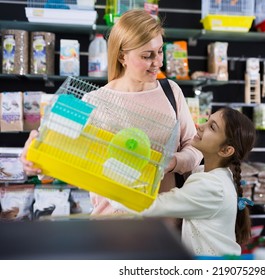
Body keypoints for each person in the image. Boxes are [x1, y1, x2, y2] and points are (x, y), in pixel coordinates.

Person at [19, 9, 203, 215]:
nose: (158, 62)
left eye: (160, 51)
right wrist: (34, 150)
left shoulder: (171, 92)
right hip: (113, 223)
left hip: (170, 220)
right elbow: (56, 145)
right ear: (122, 56)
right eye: (147, 55)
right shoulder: (92, 101)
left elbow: (195, 147)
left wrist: (173, 163)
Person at [140, 107, 257, 256]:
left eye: (212, 127)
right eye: (207, 121)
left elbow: (152, 206)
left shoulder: (211, 187)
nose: (200, 126)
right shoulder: (211, 174)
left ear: (226, 151)